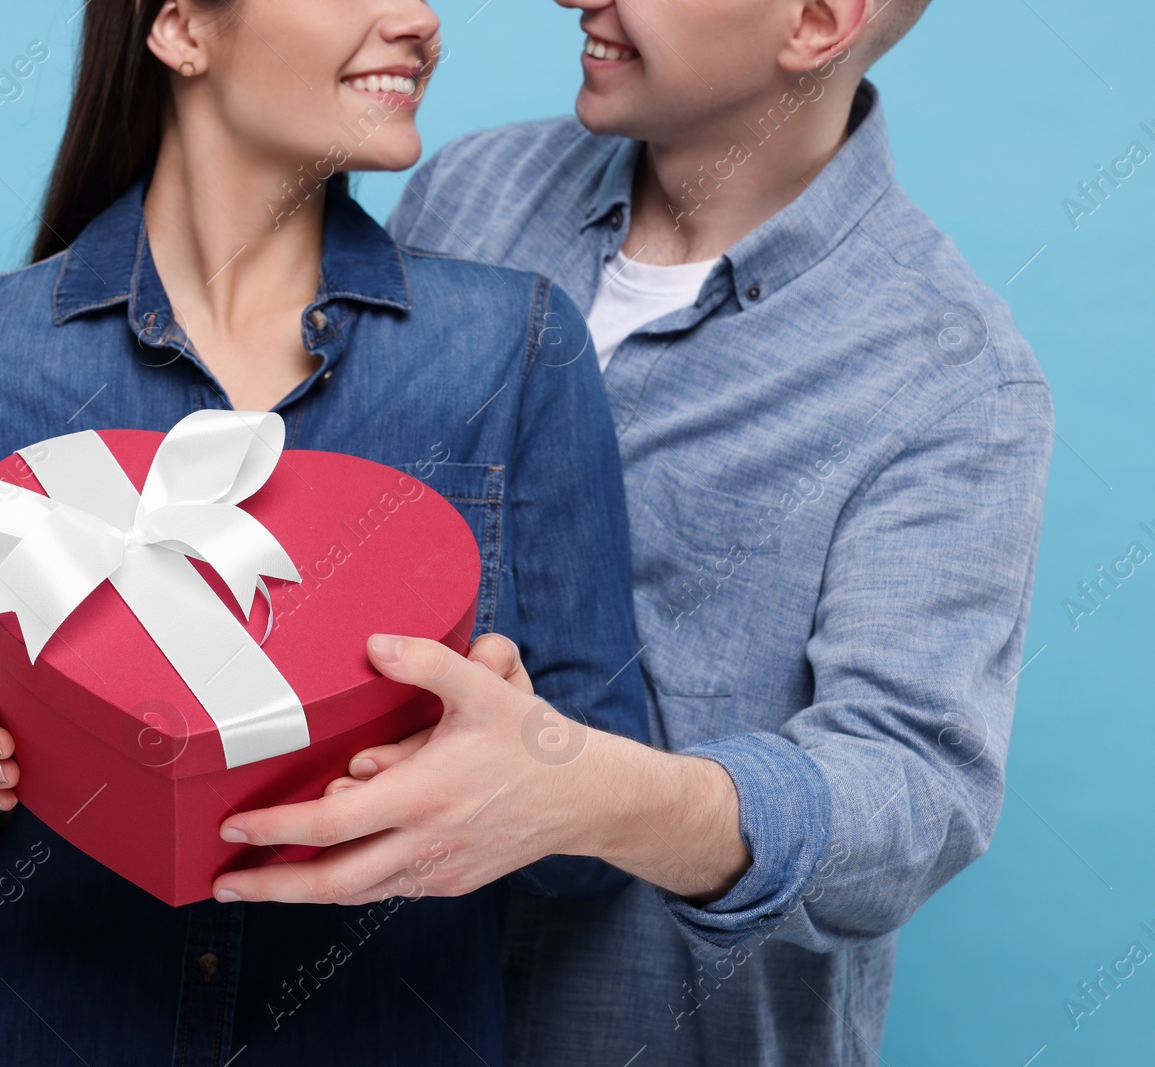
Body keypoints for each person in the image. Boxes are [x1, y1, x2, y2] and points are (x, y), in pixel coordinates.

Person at [0, 1, 650, 1063]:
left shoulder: (513, 349)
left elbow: (597, 847)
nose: (418, 20)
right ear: (183, 28)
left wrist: (528, 774)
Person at [209, 1, 1055, 1064]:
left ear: (816, 20)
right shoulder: (468, 193)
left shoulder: (950, 375)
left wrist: (591, 797)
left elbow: (911, 799)